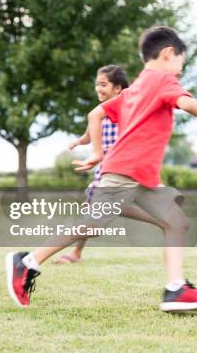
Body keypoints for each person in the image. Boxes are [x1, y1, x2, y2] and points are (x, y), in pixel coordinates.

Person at [6, 26, 197, 312]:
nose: (179, 71)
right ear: (168, 54)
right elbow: (186, 102)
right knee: (92, 224)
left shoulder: (138, 87)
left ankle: (176, 289)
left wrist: (97, 152)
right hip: (126, 171)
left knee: (177, 222)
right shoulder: (162, 80)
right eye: (180, 63)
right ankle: (26, 263)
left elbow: (96, 113)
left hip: (142, 177)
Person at [53, 65, 129, 265]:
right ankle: (76, 252)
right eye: (97, 84)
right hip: (104, 171)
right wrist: (78, 142)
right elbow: (88, 136)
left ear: (118, 88)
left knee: (93, 213)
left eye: (103, 84)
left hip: (121, 170)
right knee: (90, 211)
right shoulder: (98, 113)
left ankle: (74, 252)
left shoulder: (127, 110)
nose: (98, 89)